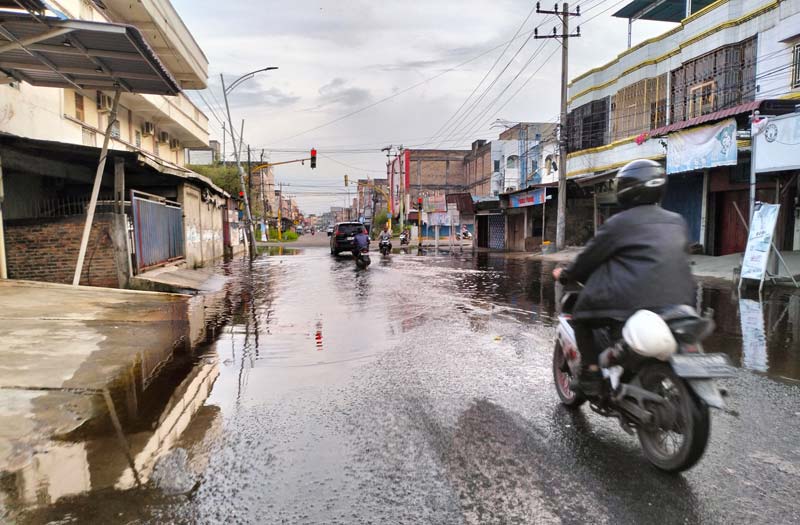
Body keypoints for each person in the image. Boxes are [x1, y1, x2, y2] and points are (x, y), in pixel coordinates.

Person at [552, 159, 695, 395]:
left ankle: (591, 374)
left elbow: (588, 259)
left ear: (625, 189)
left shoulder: (619, 223)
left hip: (632, 305)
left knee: (580, 318)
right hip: (681, 305)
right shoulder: (677, 221)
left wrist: (566, 274)